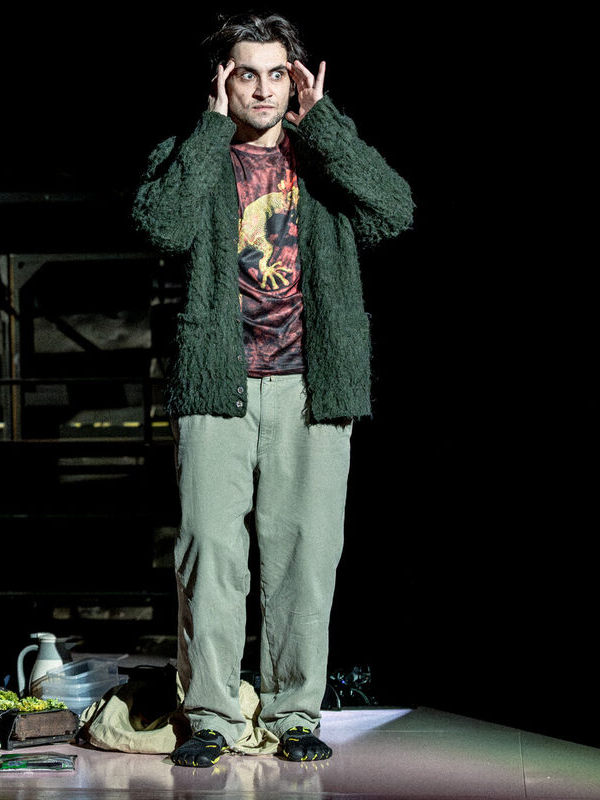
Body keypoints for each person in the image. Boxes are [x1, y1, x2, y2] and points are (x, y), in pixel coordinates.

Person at [132, 12, 413, 765]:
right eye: (246, 73)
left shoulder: (320, 153)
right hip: (217, 383)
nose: (263, 88)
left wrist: (326, 127)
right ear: (222, 81)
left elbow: (395, 210)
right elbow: (161, 226)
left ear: (298, 81)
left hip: (310, 384)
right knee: (209, 553)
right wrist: (207, 130)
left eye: (277, 73)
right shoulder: (192, 151)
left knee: (305, 558)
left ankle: (294, 713)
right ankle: (212, 717)